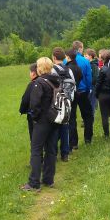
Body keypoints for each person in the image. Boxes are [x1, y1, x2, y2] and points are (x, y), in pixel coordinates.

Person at [21, 57, 61, 192]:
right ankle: (49, 179)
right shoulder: (56, 81)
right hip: (54, 119)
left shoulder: (39, 82)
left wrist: (35, 117)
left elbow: (34, 104)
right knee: (51, 150)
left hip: (42, 121)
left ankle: (34, 183)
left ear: (40, 68)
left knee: (36, 150)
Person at [66, 47, 93, 149]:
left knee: (72, 117)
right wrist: (88, 88)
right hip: (83, 91)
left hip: (71, 92)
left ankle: (73, 142)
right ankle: (88, 138)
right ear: (80, 49)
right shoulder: (85, 61)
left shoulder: (66, 61)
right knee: (87, 115)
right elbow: (88, 77)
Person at [51, 47, 73, 162]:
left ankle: (53, 154)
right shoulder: (69, 70)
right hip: (67, 102)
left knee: (54, 128)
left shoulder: (52, 70)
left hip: (55, 103)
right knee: (65, 127)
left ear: (54, 57)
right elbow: (73, 86)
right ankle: (65, 153)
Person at [19, 63, 39, 142]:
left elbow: (25, 99)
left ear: (34, 73)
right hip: (47, 113)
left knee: (34, 135)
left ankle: (36, 153)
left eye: (30, 72)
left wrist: (22, 110)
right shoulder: (47, 81)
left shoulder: (32, 84)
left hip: (33, 114)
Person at [85, 48, 99, 113]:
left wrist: (90, 83)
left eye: (86, 56)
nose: (84, 57)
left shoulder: (94, 65)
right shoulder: (88, 64)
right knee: (88, 102)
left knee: (92, 103)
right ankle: (88, 117)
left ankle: (91, 118)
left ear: (90, 56)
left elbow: (95, 77)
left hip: (93, 87)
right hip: (89, 86)